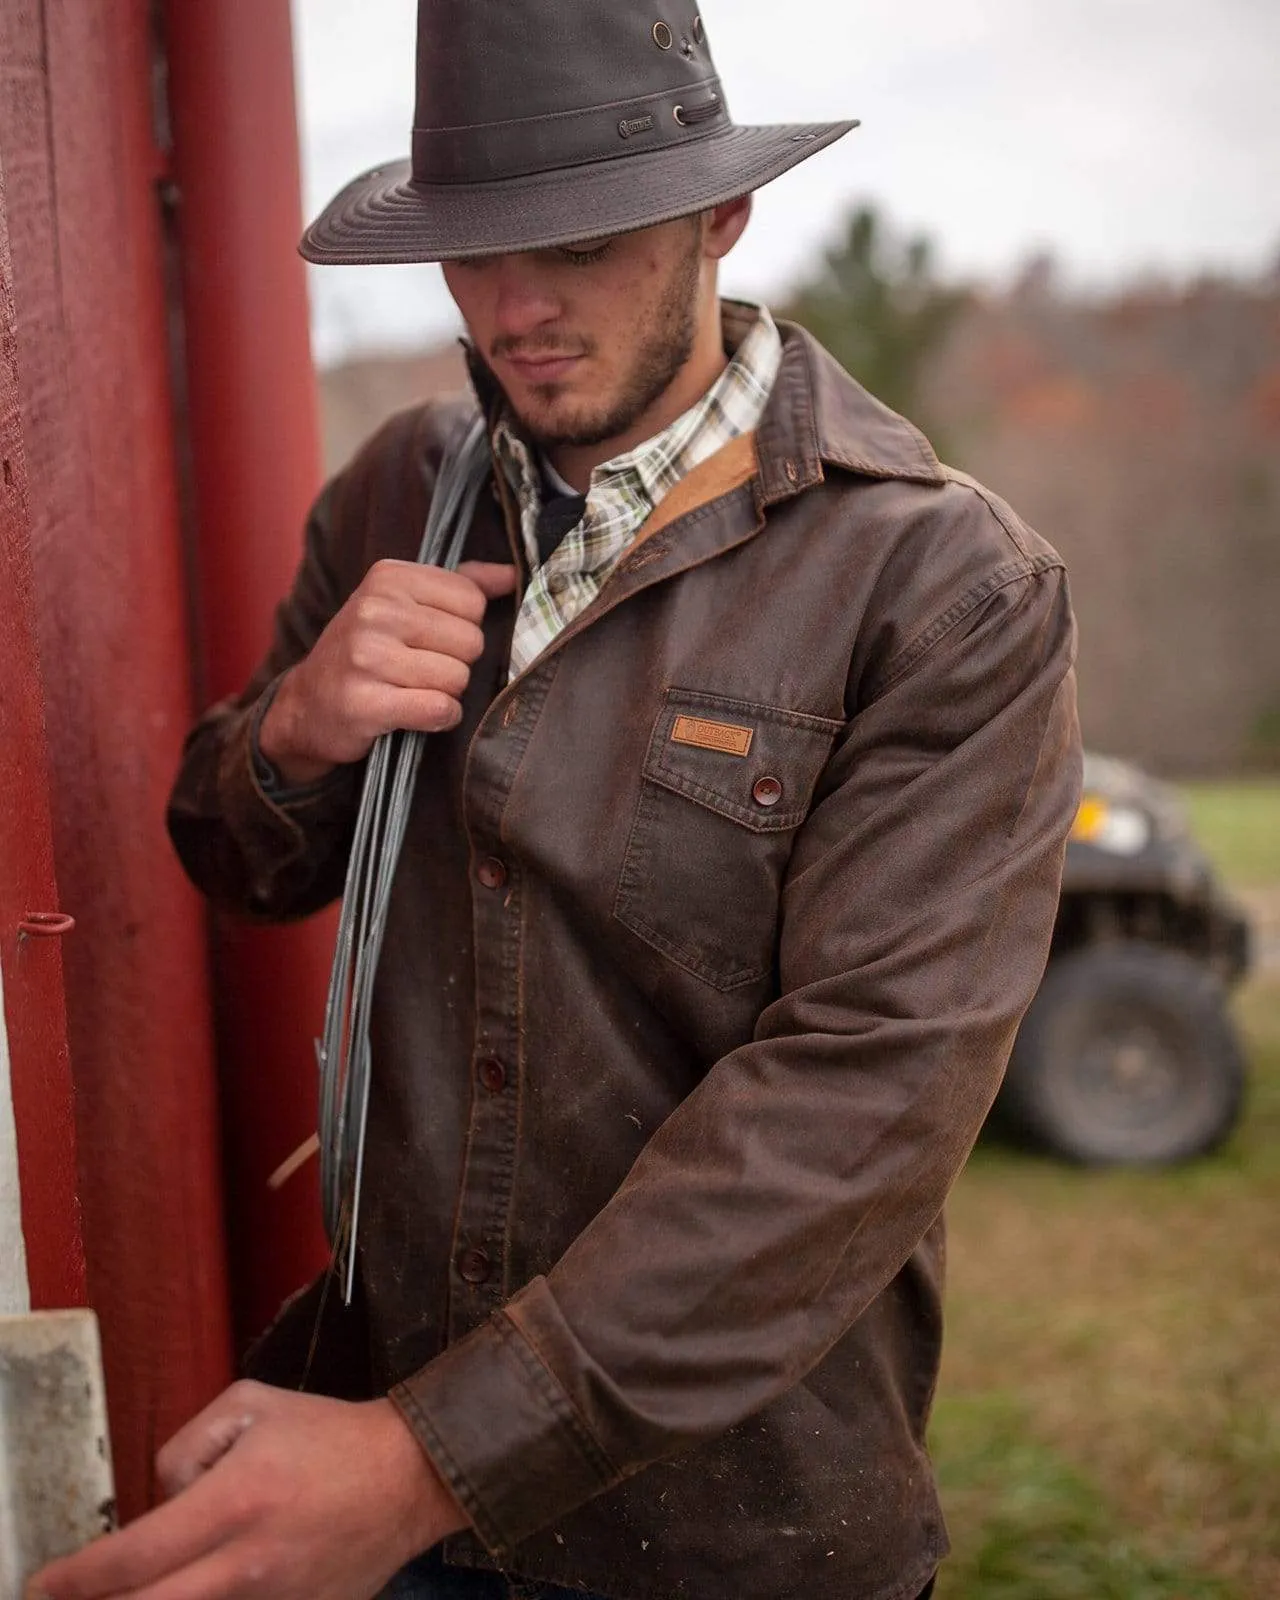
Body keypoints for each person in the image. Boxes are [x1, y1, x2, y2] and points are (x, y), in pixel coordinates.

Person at [28, 2, 1081, 1598]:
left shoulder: (944, 588)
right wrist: (295, 732)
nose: (515, 305)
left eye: (579, 240)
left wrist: (426, 1461)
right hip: (382, 1477)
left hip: (736, 1530)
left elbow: (856, 1109)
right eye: (472, 247)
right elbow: (235, 863)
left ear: (722, 212)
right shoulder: (400, 485)